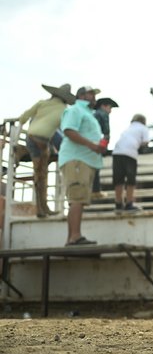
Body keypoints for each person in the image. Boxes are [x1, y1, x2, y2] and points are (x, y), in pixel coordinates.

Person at [18, 83, 76, 217]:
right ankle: (43, 208)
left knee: (39, 174)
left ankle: (41, 208)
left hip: (30, 137)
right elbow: (66, 130)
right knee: (42, 173)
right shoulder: (63, 109)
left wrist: (16, 135)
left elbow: (23, 117)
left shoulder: (42, 104)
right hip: (42, 141)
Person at [58, 86, 105, 246]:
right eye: (92, 94)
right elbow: (69, 131)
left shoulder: (86, 113)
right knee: (77, 197)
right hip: (77, 158)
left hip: (84, 160)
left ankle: (72, 238)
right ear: (82, 95)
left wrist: (96, 146)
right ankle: (75, 237)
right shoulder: (76, 110)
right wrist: (92, 145)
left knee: (78, 199)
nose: (94, 97)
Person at [111, 114, 150, 214]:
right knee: (130, 179)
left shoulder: (128, 128)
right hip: (130, 153)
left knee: (118, 179)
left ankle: (118, 203)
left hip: (117, 152)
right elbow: (145, 142)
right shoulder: (143, 128)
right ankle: (129, 203)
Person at [91, 97, 119, 199]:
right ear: (103, 106)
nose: (110, 111)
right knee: (96, 166)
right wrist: (104, 145)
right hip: (95, 143)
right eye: (109, 107)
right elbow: (106, 132)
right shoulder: (102, 114)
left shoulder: (92, 115)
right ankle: (95, 190)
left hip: (86, 143)